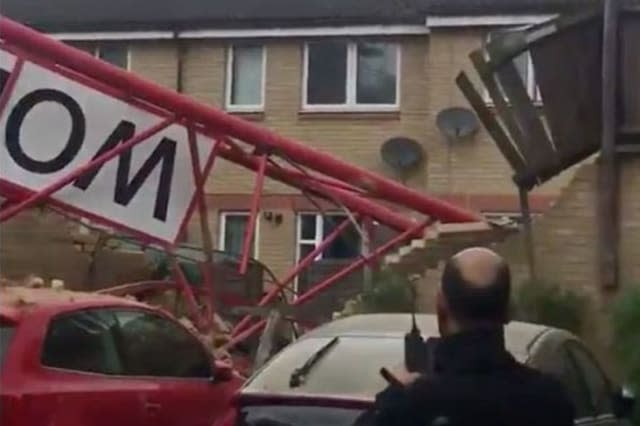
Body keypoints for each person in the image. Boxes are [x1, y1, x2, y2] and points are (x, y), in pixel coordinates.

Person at [371, 247, 575, 426]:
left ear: (441, 308)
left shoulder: (411, 406)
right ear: (508, 311)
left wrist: (395, 393)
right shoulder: (549, 399)